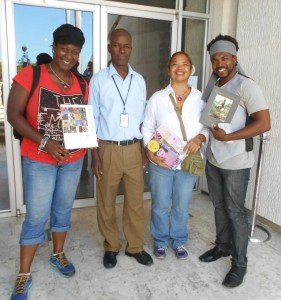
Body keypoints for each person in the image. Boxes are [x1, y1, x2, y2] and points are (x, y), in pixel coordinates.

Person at [7, 24, 88, 300]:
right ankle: (23, 274)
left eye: (74, 51)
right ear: (54, 47)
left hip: (73, 159)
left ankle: (57, 255)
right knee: (37, 216)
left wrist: (82, 143)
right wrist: (46, 143)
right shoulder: (31, 75)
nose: (68, 55)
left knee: (63, 210)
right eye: (64, 49)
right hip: (39, 159)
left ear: (79, 54)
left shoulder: (81, 83)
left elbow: (80, 121)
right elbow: (14, 115)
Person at [199, 34, 271, 288]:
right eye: (215, 58)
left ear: (235, 59)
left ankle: (239, 265)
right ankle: (222, 246)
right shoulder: (214, 87)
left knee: (235, 212)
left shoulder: (246, 86)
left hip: (236, 162)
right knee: (218, 207)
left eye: (225, 58)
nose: (220, 62)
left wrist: (230, 136)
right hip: (215, 158)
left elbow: (264, 123)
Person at [89, 28, 153, 269]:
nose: (122, 50)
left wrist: (145, 149)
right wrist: (94, 155)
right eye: (116, 45)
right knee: (106, 200)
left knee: (135, 201)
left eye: (126, 46)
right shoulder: (98, 80)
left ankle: (135, 246)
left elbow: (142, 119)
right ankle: (111, 245)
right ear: (109, 48)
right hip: (108, 149)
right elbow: (92, 119)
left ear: (131, 48)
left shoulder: (140, 81)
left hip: (135, 149)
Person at [142, 51, 208, 260]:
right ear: (168, 68)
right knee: (160, 205)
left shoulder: (200, 99)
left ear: (191, 69)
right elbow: (147, 128)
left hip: (187, 162)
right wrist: (151, 152)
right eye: (175, 64)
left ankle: (179, 241)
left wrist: (199, 139)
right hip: (161, 161)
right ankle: (160, 241)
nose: (180, 69)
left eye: (185, 64)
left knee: (181, 205)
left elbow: (208, 127)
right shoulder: (158, 98)